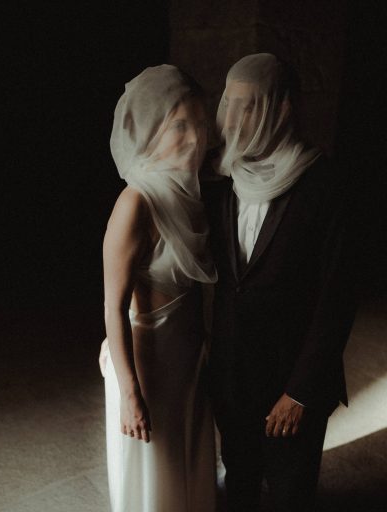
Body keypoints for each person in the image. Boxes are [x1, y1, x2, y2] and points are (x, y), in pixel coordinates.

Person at [205, 53, 357, 511]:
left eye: (248, 106)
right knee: (239, 484)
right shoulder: (220, 177)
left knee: (291, 493)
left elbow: (337, 298)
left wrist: (300, 393)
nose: (232, 119)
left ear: (283, 107)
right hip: (233, 376)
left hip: (290, 381)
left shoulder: (325, 185)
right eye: (228, 103)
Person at [98, 64, 218, 512]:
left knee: (187, 460)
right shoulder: (135, 203)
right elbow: (113, 306)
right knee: (156, 471)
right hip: (148, 365)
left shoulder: (193, 194)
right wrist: (130, 394)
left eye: (200, 123)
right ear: (151, 133)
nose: (195, 137)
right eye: (179, 126)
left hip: (188, 358)